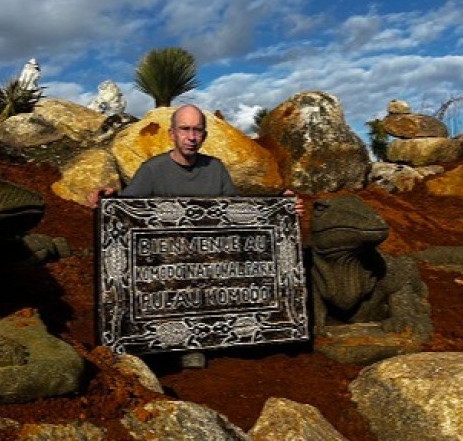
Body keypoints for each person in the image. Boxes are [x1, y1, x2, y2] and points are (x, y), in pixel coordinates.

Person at [89, 103, 304, 369]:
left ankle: (211, 336)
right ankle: (167, 340)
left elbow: (240, 215)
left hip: (208, 261)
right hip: (166, 261)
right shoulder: (153, 170)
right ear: (172, 134)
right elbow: (126, 212)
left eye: (197, 130)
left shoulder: (216, 169)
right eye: (185, 129)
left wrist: (281, 206)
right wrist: (108, 198)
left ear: (204, 135)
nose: (191, 137)